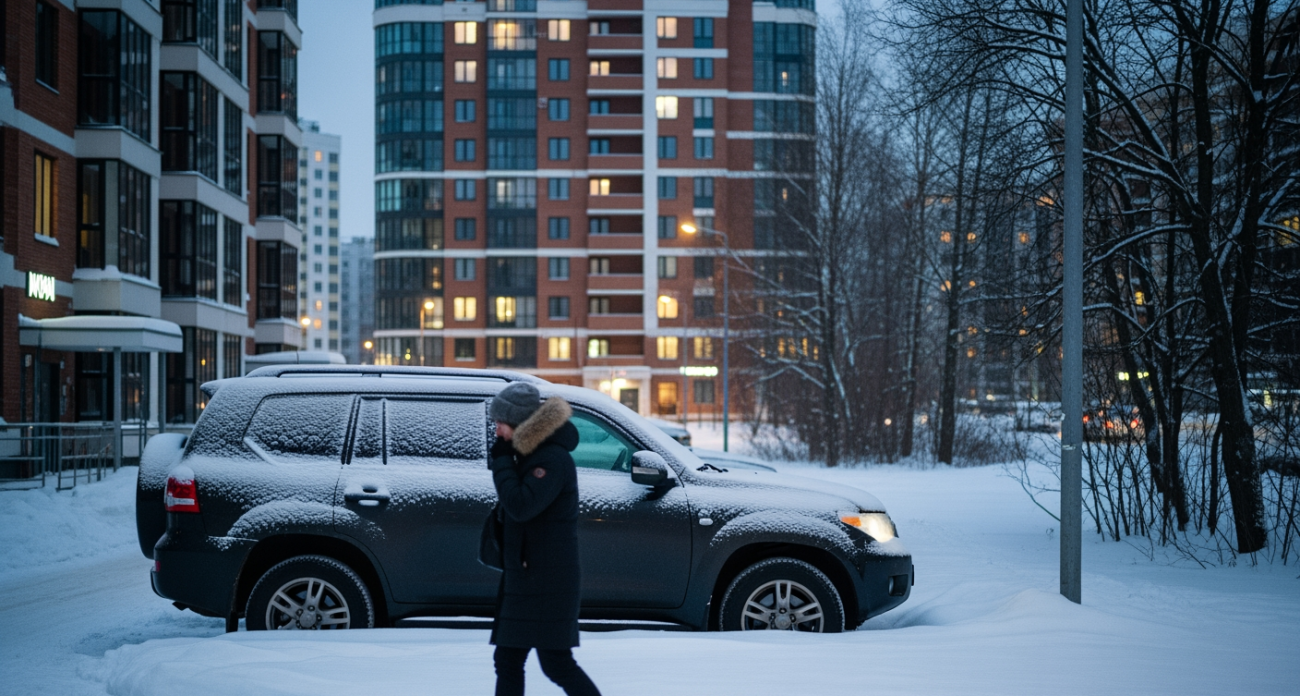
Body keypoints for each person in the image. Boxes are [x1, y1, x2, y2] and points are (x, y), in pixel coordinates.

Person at [487, 382, 602, 696]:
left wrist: (500, 463)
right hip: (528, 575)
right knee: (508, 659)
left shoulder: (550, 460)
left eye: (500, 422)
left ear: (520, 423)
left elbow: (522, 505)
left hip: (547, 580)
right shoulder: (528, 456)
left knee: (556, 663)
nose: (495, 430)